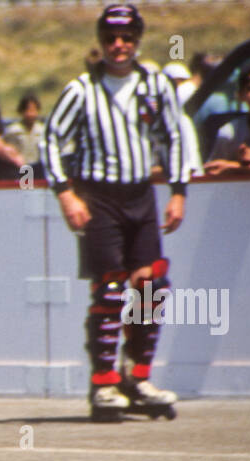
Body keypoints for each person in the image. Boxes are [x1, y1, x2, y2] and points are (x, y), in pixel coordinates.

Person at [42, 3, 192, 422]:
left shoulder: (156, 84)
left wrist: (178, 191)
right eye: (110, 38)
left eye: (126, 38)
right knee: (109, 289)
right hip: (99, 196)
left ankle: (137, 377)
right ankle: (103, 383)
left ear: (138, 40)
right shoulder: (82, 89)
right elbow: (51, 139)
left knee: (152, 285)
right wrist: (66, 194)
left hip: (140, 195)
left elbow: (173, 136)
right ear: (100, 41)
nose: (119, 46)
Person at [4, 93, 45, 180]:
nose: (31, 114)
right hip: (19, 171)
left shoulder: (42, 130)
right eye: (28, 110)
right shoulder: (13, 131)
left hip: (37, 170)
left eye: (34, 110)